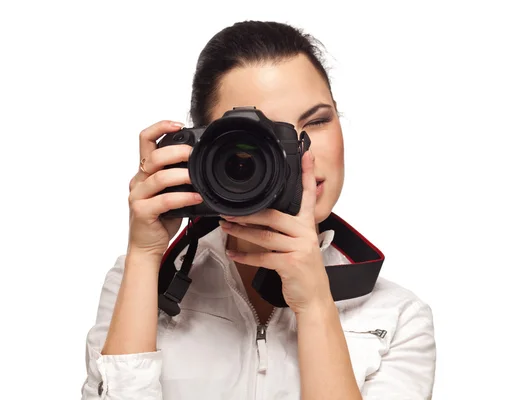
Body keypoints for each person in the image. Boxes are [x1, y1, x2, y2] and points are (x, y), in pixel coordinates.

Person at [81, 20, 436, 399]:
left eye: (317, 121)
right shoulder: (137, 281)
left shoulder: (398, 317)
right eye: (262, 138)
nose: (302, 153)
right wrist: (145, 255)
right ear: (205, 152)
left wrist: (315, 304)